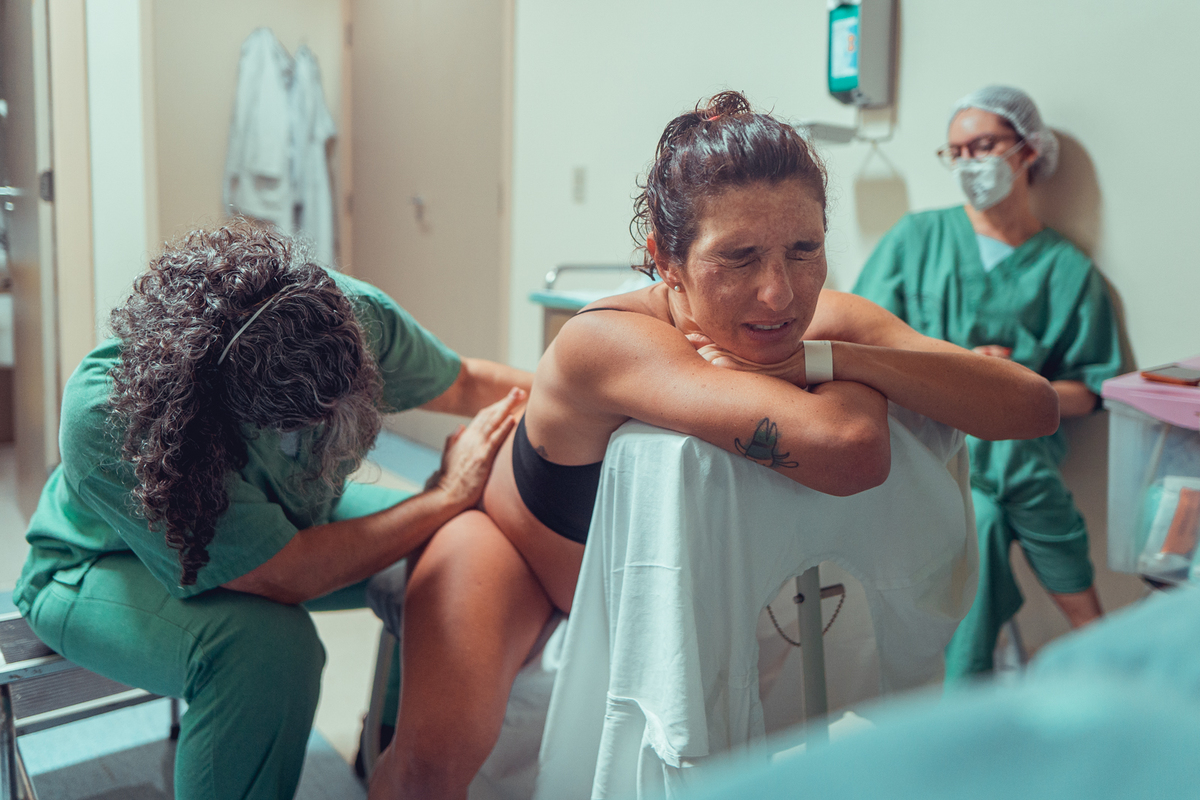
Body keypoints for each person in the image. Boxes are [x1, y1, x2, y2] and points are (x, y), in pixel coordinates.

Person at [368, 91, 1060, 800]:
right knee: (430, 767)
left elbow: (1031, 406)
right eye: (739, 257)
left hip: (633, 565)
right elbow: (851, 448)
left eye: (805, 248)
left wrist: (833, 360)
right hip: (510, 543)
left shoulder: (821, 321)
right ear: (664, 259)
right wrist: (839, 367)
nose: (779, 294)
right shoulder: (606, 341)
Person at [12, 222, 531, 800]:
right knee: (269, 652)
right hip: (97, 563)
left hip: (282, 520)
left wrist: (584, 405)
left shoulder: (347, 315)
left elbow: (465, 383)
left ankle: (391, 749)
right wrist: (443, 495)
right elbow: (288, 573)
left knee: (455, 548)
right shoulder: (109, 412)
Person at [852, 85, 1125, 682]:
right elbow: (858, 342)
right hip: (921, 452)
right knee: (1002, 474)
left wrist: (1016, 389)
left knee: (987, 506)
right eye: (956, 151)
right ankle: (1099, 636)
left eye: (984, 145)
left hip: (996, 468)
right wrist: (958, 374)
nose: (970, 161)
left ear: (1028, 150)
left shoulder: (1068, 270)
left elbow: (1095, 388)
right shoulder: (916, 239)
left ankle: (965, 688)